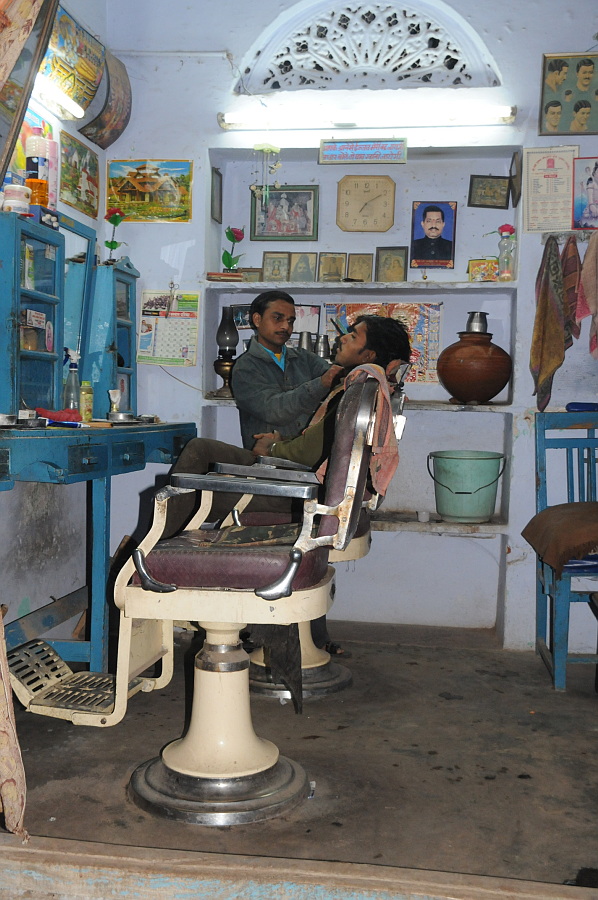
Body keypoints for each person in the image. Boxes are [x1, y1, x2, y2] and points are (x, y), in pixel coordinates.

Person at [163, 315, 411, 654]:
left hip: (302, 493)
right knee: (203, 454)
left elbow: (311, 451)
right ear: (257, 321)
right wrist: (281, 443)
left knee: (198, 460)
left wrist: (273, 449)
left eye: (352, 337)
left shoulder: (356, 386)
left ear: (368, 355)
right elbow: (312, 439)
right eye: (279, 318)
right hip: (316, 487)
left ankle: (157, 564)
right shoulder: (371, 384)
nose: (342, 339)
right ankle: (167, 559)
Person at [231, 290, 341, 449]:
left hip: (307, 454)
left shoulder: (305, 359)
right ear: (257, 319)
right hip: (267, 458)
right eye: (277, 318)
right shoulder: (245, 368)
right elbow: (275, 411)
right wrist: (321, 384)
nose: (286, 326)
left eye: (290, 321)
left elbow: (337, 383)